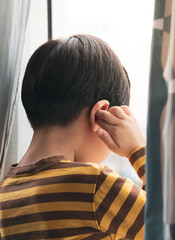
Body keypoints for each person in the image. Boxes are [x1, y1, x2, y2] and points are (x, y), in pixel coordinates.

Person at [0, 34, 146, 240]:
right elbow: (171, 224)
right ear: (101, 114)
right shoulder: (94, 186)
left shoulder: (6, 191)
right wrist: (138, 149)